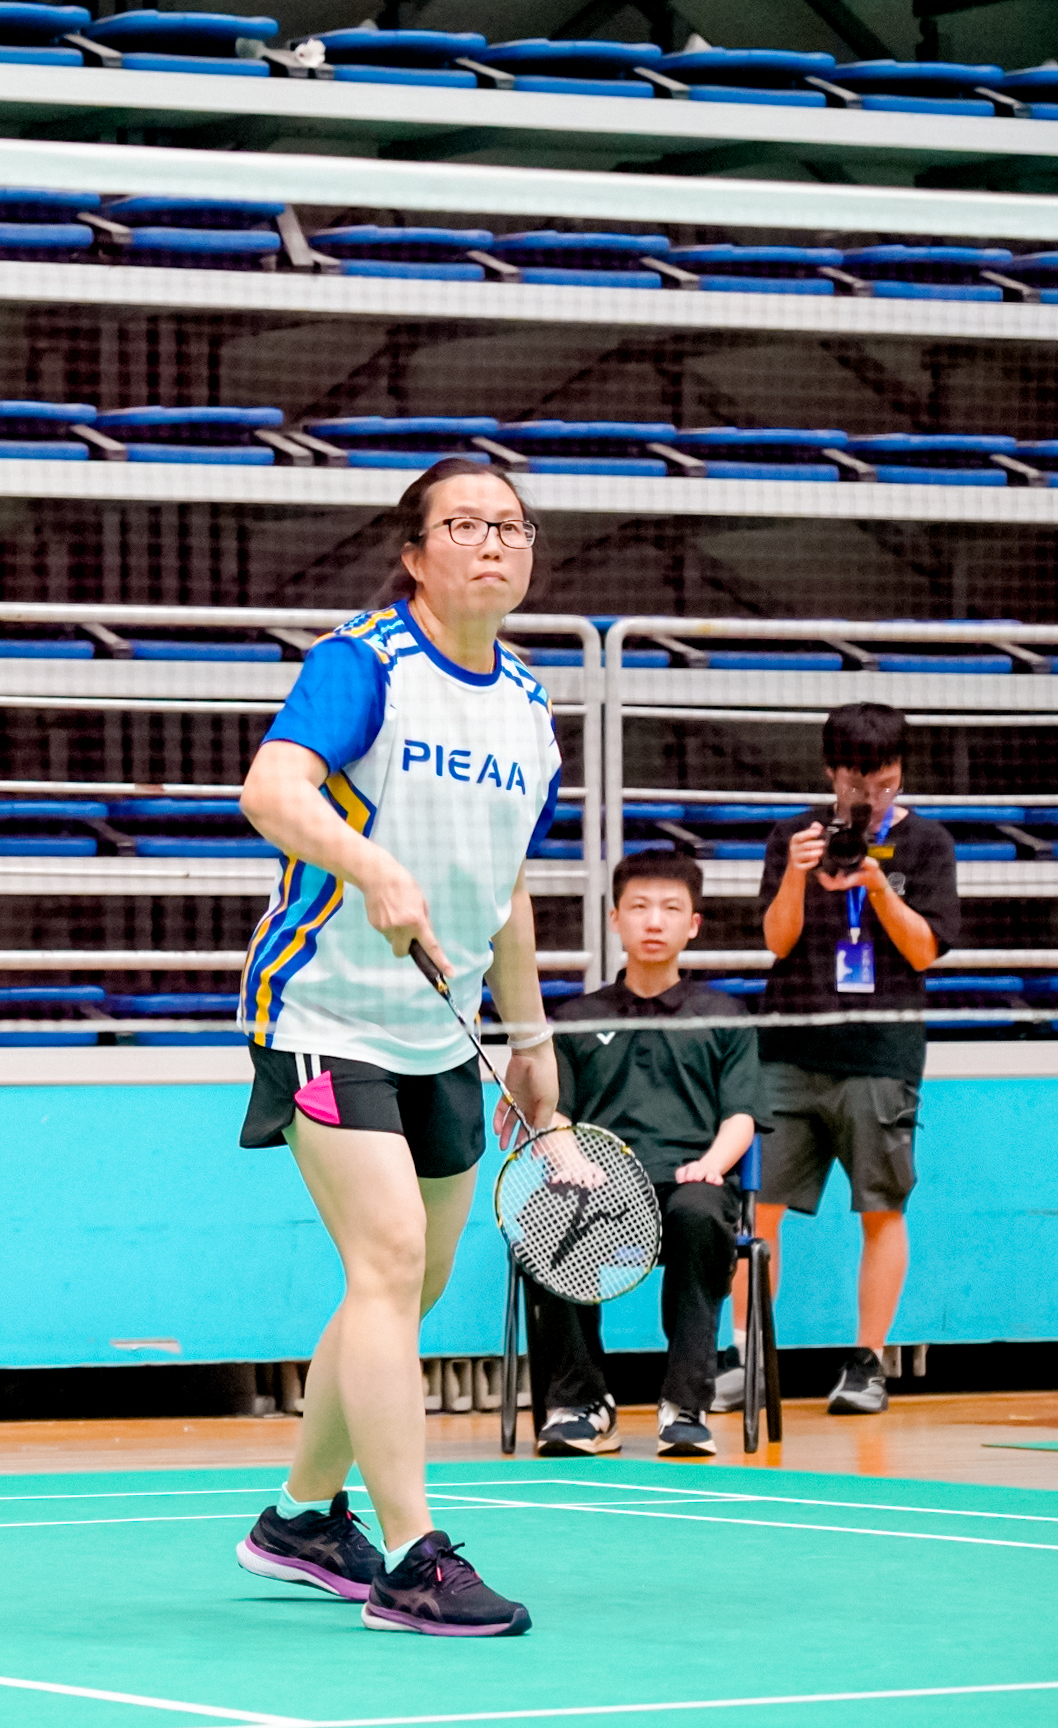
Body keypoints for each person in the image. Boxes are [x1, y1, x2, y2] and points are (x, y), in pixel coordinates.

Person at [229, 457, 563, 1638]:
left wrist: (530, 1038)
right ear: (413, 555)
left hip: (441, 1026)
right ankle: (412, 1560)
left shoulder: (528, 710)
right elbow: (269, 791)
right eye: (463, 524)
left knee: (406, 1286)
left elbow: (508, 889)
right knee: (385, 1259)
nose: (492, 542)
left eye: (510, 526)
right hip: (321, 1013)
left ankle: (298, 1521)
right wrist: (365, 863)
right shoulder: (363, 662)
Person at [739, 702, 956, 1417]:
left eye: (887, 782)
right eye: (860, 784)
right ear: (832, 772)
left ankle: (867, 1363)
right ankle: (748, 1358)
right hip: (790, 1049)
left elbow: (924, 951)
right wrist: (797, 876)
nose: (873, 797)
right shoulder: (791, 837)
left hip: (881, 1054)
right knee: (758, 1209)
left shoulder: (927, 844)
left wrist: (876, 887)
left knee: (881, 1207)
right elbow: (776, 942)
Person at [518, 851, 761, 1459]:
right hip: (601, 1186)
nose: (654, 921)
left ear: (693, 924)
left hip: (691, 1182)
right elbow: (554, 1113)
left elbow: (741, 1116)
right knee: (547, 1214)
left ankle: (685, 1405)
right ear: (615, 920)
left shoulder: (725, 1016)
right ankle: (583, 1405)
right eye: (640, 907)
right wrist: (569, 1159)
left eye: (671, 909)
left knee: (699, 1214)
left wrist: (713, 1164)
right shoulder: (575, 1019)